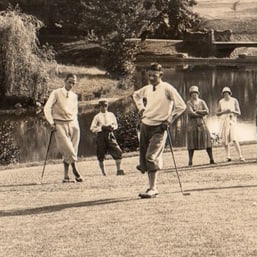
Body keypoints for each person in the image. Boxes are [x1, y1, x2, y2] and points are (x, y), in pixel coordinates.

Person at [131, 63, 187, 198]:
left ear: (161, 75)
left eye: (154, 75)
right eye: (149, 75)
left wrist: (169, 120)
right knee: (145, 158)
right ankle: (151, 186)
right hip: (145, 125)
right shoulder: (148, 88)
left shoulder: (167, 88)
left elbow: (181, 106)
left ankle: (153, 188)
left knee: (151, 156)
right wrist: (141, 108)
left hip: (159, 127)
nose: (151, 78)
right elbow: (135, 95)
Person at [43, 73, 83, 183]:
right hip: (59, 124)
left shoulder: (74, 96)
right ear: (65, 81)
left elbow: (75, 111)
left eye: (73, 83)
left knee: (72, 150)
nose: (71, 85)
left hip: (73, 123)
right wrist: (51, 122)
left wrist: (75, 123)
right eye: (70, 82)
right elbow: (47, 108)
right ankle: (75, 169)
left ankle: (66, 177)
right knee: (67, 149)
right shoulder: (56, 93)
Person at [88, 99, 125, 176]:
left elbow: (116, 125)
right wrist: (101, 128)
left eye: (106, 106)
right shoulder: (97, 117)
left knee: (117, 151)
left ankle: (119, 170)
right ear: (100, 106)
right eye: (102, 106)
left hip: (110, 134)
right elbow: (92, 128)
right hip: (101, 136)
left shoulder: (111, 115)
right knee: (101, 154)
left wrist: (112, 127)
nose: (104, 107)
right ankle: (103, 172)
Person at [184, 86, 216, 166]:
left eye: (196, 93)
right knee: (191, 142)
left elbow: (207, 111)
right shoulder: (189, 103)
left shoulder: (202, 101)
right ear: (190, 95)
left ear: (198, 94)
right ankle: (190, 161)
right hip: (192, 125)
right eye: (192, 93)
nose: (194, 95)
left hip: (202, 124)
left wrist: (197, 111)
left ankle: (211, 159)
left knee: (207, 140)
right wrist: (201, 114)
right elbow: (190, 113)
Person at [216, 87, 245, 162]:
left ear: (229, 93)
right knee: (225, 139)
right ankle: (228, 156)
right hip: (223, 121)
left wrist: (232, 111)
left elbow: (239, 112)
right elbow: (217, 113)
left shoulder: (234, 100)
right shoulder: (221, 101)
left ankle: (240, 156)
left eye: (227, 93)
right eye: (224, 93)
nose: (226, 95)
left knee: (234, 138)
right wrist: (223, 112)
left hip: (232, 121)